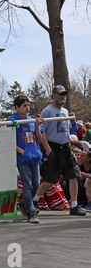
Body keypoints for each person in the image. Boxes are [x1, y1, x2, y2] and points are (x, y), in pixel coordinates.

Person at [33, 85, 86, 216]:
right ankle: (35, 199)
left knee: (74, 175)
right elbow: (42, 131)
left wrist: (70, 145)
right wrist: (48, 149)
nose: (63, 97)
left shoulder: (66, 111)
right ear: (53, 95)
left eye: (64, 95)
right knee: (51, 180)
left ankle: (74, 205)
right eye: (60, 94)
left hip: (66, 147)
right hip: (53, 147)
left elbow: (66, 131)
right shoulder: (47, 111)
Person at [9, 95, 44, 223]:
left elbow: (40, 139)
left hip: (34, 157)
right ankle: (31, 210)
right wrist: (20, 150)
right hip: (23, 159)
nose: (27, 108)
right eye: (24, 105)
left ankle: (25, 203)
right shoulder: (13, 120)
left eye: (28, 105)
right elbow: (8, 139)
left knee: (36, 184)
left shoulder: (32, 120)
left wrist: (37, 126)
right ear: (17, 107)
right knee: (27, 184)